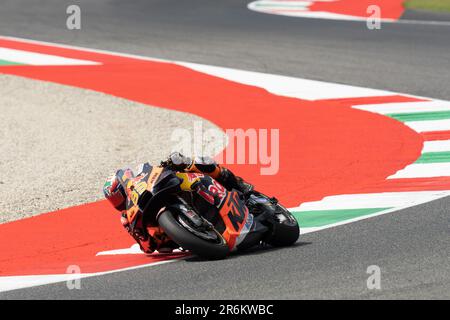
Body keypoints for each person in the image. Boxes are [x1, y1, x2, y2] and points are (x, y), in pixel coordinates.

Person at [103, 152, 255, 254]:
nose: (118, 202)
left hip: (172, 188)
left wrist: (171, 163)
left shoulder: (143, 177)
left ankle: (239, 185)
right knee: (163, 248)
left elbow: (163, 169)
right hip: (172, 237)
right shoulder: (127, 218)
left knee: (196, 163)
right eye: (113, 201)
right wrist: (143, 234)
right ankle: (200, 232)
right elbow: (147, 248)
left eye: (117, 196)